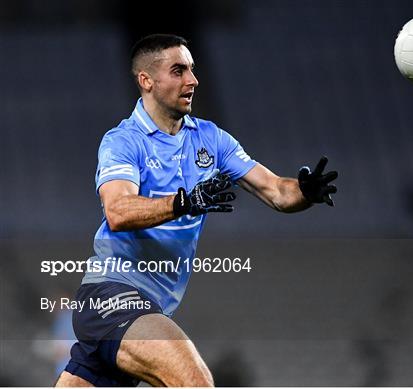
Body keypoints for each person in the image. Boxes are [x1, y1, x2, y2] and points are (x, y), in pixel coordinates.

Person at [55, 34, 338, 387]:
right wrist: (184, 202)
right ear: (147, 80)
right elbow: (118, 210)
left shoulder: (211, 139)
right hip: (113, 295)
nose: (192, 80)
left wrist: (305, 191)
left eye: (192, 69)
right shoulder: (123, 141)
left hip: (148, 306)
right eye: (178, 70)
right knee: (194, 381)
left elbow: (277, 191)